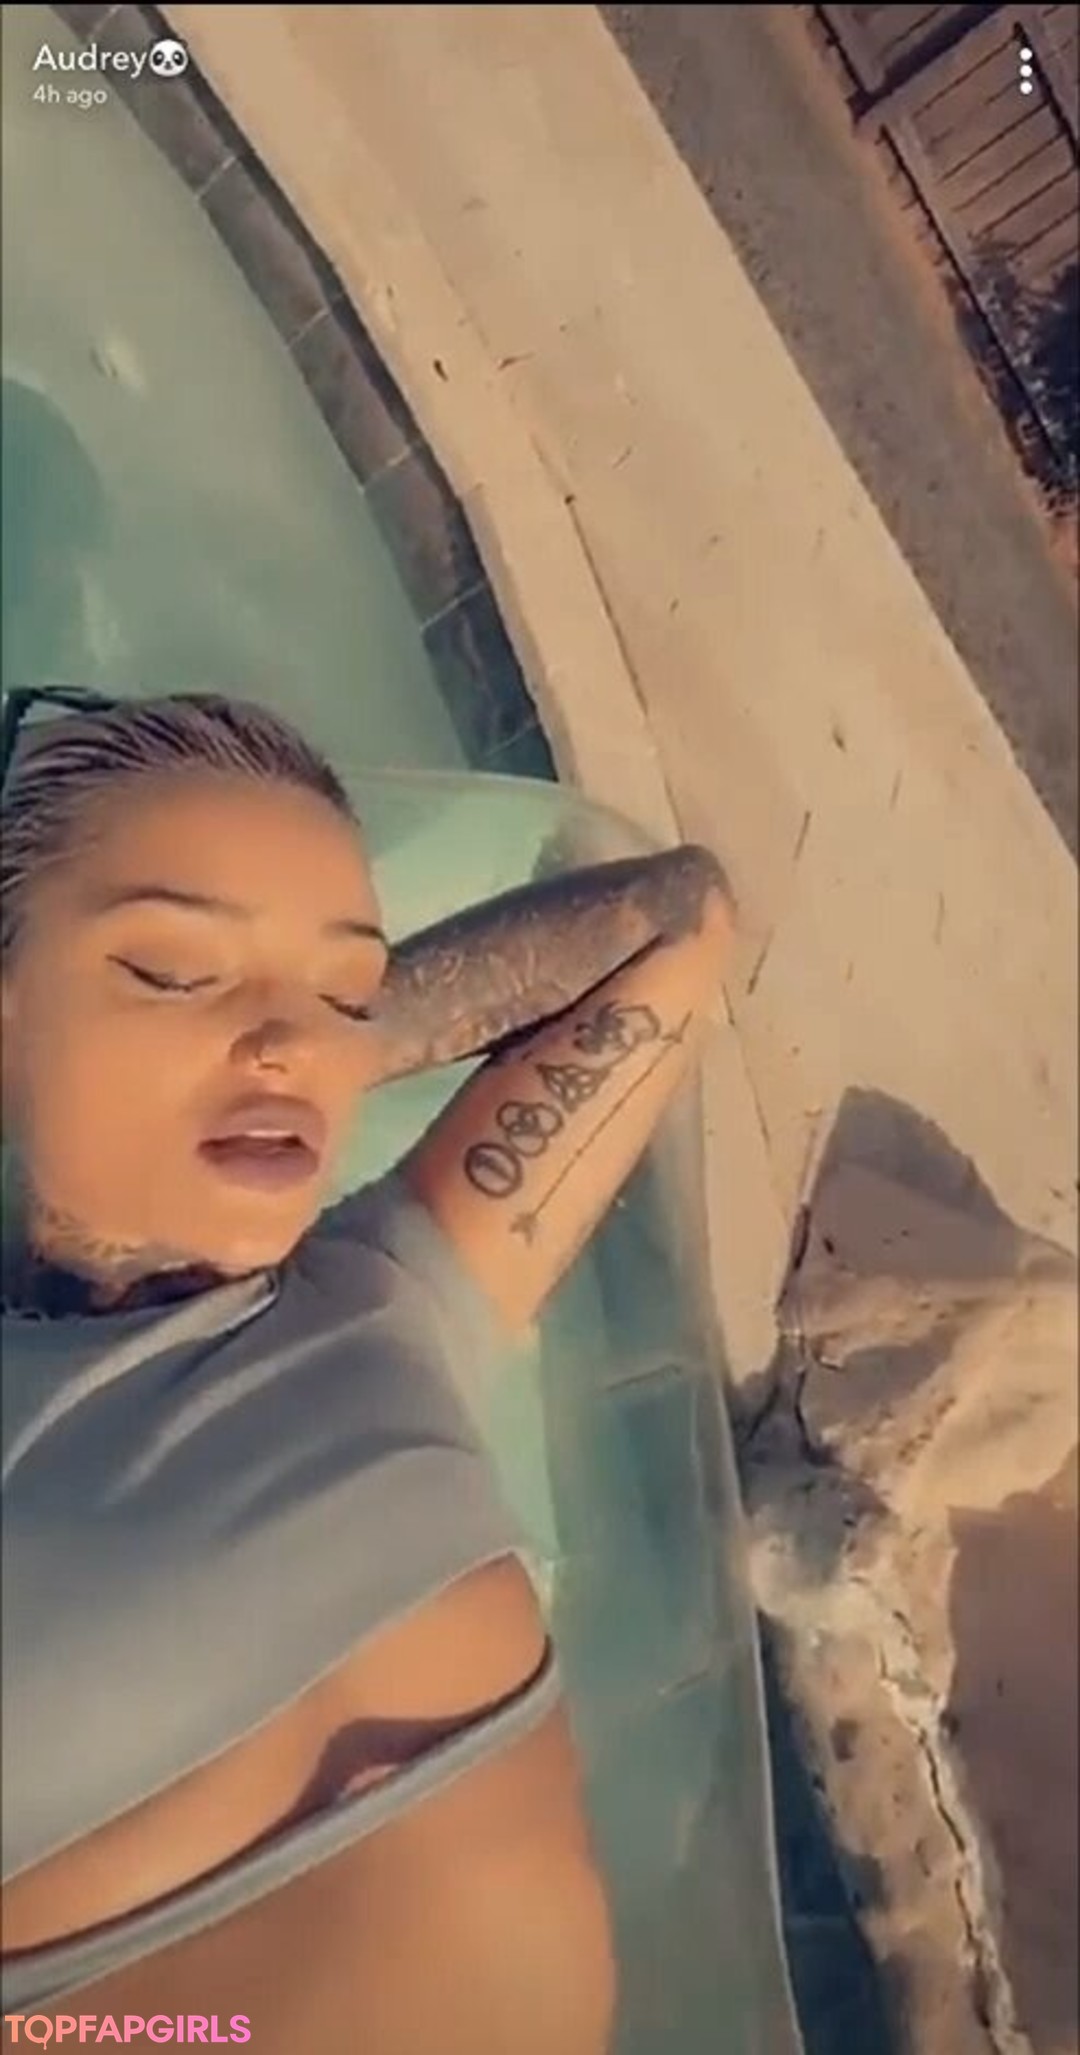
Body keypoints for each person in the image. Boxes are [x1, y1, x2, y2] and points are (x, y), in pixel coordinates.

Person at [0, 690, 733, 2054]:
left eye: (349, 985)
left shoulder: (387, 1298)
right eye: (169, 969)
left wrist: (301, 1054)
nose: (294, 1035)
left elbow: (674, 928)